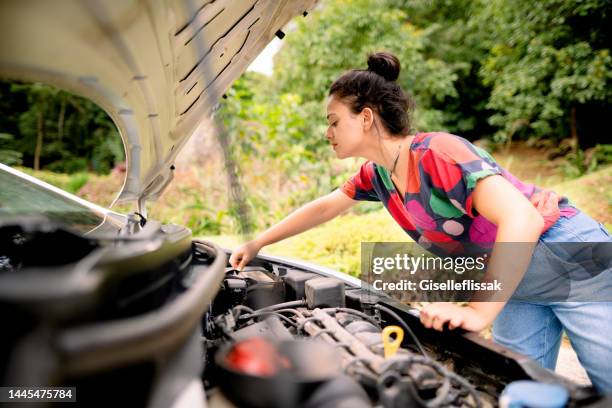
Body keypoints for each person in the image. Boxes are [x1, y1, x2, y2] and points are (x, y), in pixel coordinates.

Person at [229, 51, 612, 392]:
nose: (327, 133)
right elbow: (325, 207)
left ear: (366, 118)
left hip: (566, 251)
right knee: (514, 389)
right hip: (511, 273)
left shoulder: (438, 153)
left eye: (333, 121)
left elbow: (523, 219)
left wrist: (477, 311)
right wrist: (258, 242)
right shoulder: (377, 175)